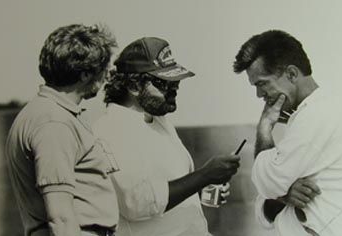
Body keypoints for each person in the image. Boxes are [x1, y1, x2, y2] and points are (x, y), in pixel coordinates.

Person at [93, 37, 240, 236]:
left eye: (176, 82)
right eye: (164, 83)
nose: (174, 90)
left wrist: (202, 192)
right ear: (134, 86)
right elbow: (136, 202)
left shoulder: (159, 121)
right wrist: (205, 175)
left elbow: (168, 188)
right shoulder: (110, 130)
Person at [233, 29, 342, 235]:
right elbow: (268, 197)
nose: (258, 94)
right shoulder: (318, 110)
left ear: (291, 74)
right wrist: (283, 193)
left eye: (262, 83)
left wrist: (264, 128)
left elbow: (270, 181)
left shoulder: (317, 113)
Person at [5, 24, 119, 236]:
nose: (107, 77)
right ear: (85, 74)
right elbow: (60, 217)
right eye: (104, 69)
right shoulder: (53, 122)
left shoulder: (47, 112)